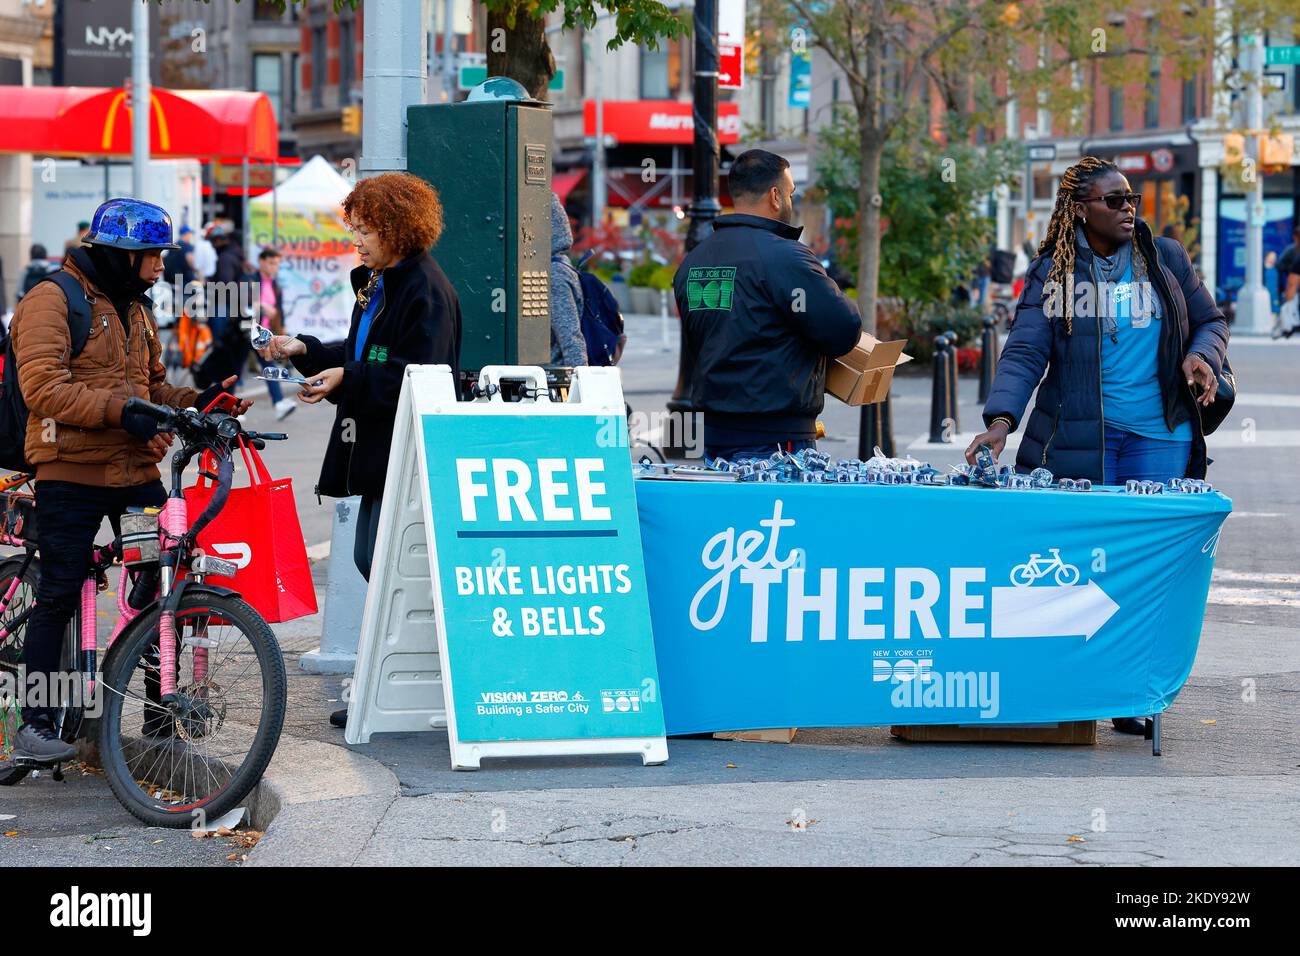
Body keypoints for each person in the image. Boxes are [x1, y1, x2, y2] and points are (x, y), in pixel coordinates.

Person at [966, 157, 1228, 735]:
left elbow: (1211, 321)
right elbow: (1027, 350)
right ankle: (1079, 682)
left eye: (1131, 197)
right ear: (1080, 210)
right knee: (1086, 568)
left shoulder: (1166, 258)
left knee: (1150, 565)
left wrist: (1201, 356)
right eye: (1113, 200)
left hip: (1162, 433)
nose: (1128, 207)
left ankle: (1133, 690)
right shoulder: (1053, 273)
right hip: (1087, 438)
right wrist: (1002, 420)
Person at [8, 198, 249, 765]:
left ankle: (157, 717)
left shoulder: (137, 310)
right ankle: (36, 722)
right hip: (71, 472)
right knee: (61, 591)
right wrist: (121, 411)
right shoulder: (51, 300)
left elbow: (154, 388)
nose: (162, 265)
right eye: (153, 255)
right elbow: (43, 387)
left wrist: (202, 402)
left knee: (158, 583)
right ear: (121, 254)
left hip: (136, 474)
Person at [256, 172, 461, 729]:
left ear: (398, 227)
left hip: (404, 452)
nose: (357, 240)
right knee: (376, 561)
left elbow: (416, 375)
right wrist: (306, 350)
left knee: (386, 563)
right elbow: (366, 352)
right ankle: (386, 686)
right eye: (356, 229)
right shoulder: (384, 281)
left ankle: (403, 685)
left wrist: (346, 378)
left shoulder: (424, 289)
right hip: (379, 451)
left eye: (367, 230)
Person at [672, 148, 861, 461]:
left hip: (713, 436)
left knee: (729, 512)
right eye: (790, 193)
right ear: (775, 196)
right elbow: (844, 330)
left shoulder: (694, 261)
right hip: (776, 440)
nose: (791, 201)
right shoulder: (786, 257)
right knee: (777, 512)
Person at [243, 246, 296, 421]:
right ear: (262, 262)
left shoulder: (274, 284)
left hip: (262, 334)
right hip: (245, 331)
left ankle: (279, 403)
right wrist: (261, 307)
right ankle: (225, 408)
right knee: (233, 369)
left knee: (269, 365)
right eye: (272, 263)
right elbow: (242, 302)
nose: (275, 267)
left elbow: (278, 308)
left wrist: (283, 328)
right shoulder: (251, 280)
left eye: (277, 264)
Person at [549, 192, 587, 366]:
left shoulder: (555, 273)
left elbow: (570, 336)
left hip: (553, 382)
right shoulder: (563, 264)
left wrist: (582, 381)